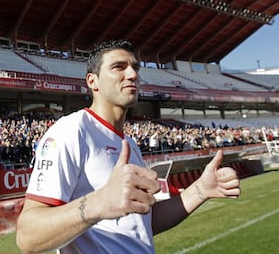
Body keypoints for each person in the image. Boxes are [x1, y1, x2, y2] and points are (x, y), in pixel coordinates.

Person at [16, 40, 241, 253]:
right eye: (118, 67)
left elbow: (142, 223)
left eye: (135, 67)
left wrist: (201, 189)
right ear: (92, 81)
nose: (133, 74)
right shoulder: (71, 131)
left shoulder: (129, 145)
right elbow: (27, 237)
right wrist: (99, 202)